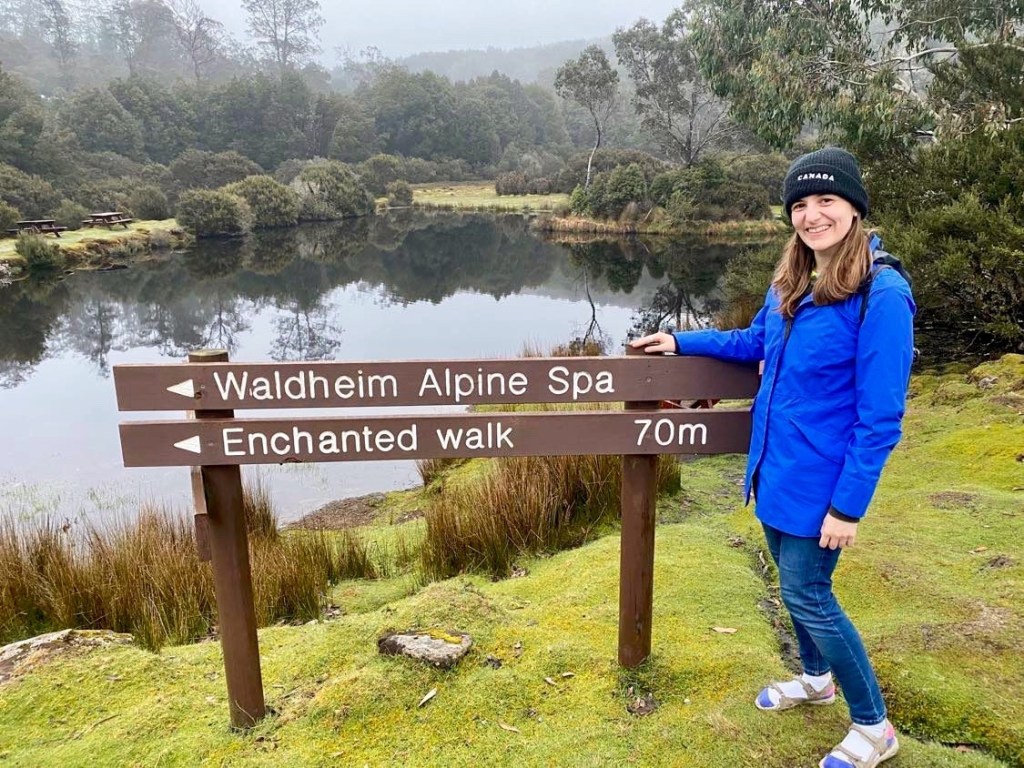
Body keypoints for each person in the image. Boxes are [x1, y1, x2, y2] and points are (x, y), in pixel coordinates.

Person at [631, 147, 915, 768]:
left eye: (827, 201)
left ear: (854, 209)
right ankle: (815, 681)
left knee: (811, 595)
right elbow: (755, 339)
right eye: (801, 205)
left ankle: (874, 726)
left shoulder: (882, 292)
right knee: (795, 593)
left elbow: (881, 417)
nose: (813, 216)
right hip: (773, 469)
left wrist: (848, 506)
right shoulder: (792, 278)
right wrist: (681, 340)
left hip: (824, 482)